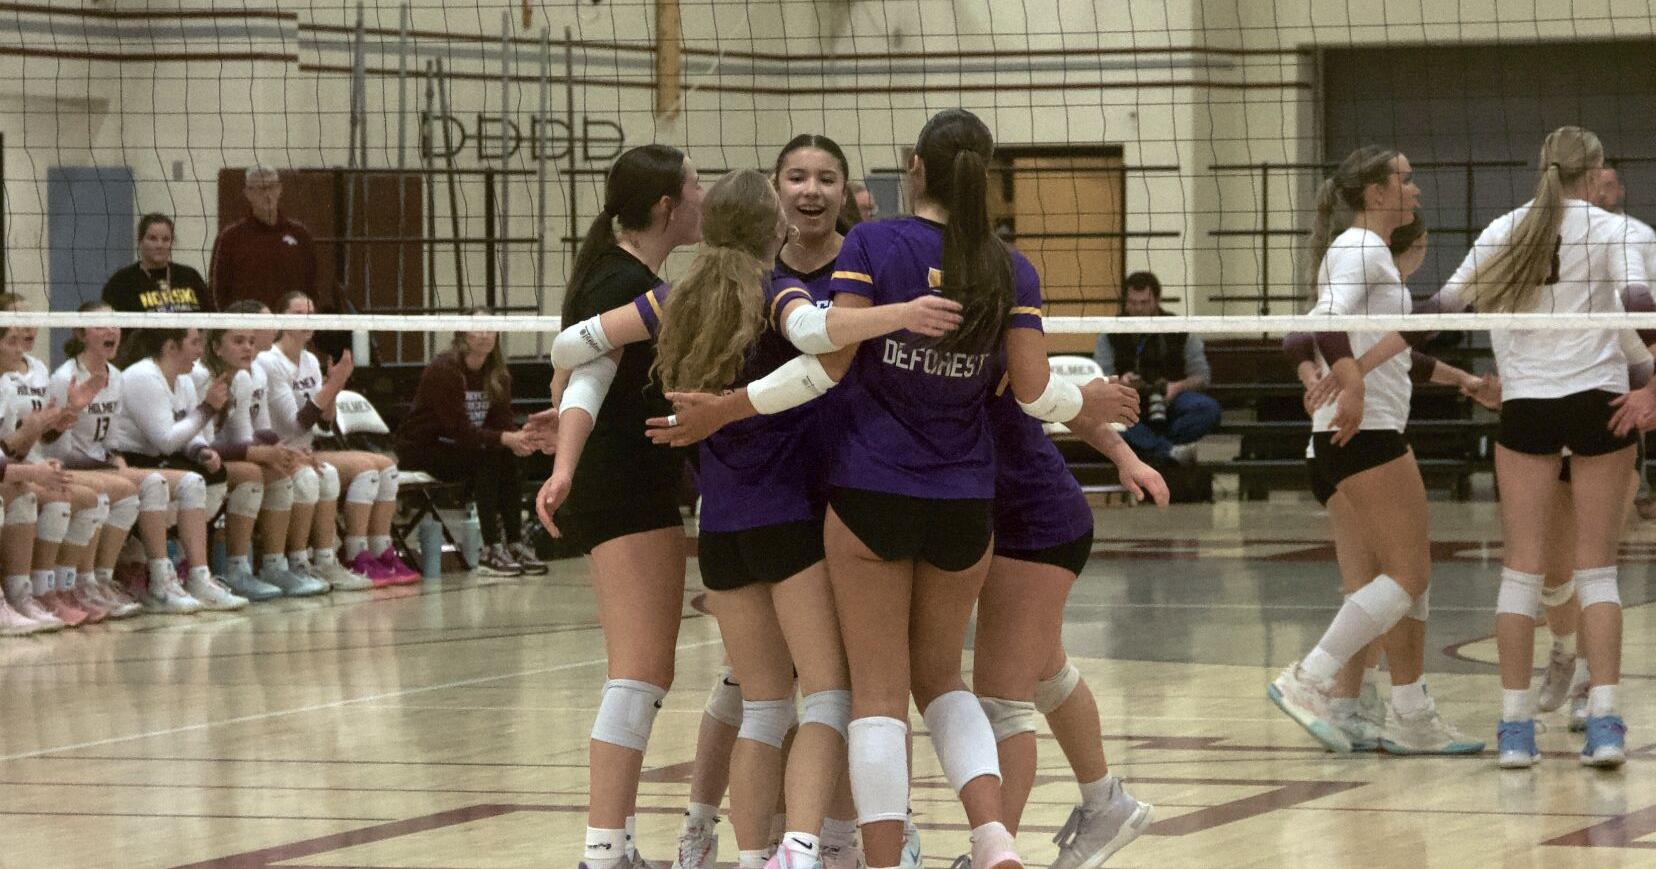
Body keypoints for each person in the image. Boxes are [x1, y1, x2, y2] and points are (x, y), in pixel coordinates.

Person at [640, 109, 1137, 869]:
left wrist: (727, 409)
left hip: (869, 493)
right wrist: (1088, 403)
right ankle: (993, 837)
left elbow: (823, 367)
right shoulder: (1012, 267)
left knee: (875, 694)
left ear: (914, 168)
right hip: (965, 502)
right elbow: (1036, 392)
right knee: (944, 680)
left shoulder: (872, 244)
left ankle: (878, 855)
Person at [551, 164, 963, 869]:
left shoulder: (673, 298)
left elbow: (569, 345)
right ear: (775, 226)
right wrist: (900, 314)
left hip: (720, 534)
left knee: (765, 707)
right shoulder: (775, 290)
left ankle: (751, 858)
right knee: (829, 698)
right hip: (786, 523)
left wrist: (564, 382)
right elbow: (816, 333)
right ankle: (801, 848)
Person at [1394, 126, 1653, 769]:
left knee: (1522, 571)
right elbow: (1640, 307)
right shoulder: (1612, 229)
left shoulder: (1504, 229)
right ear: (1595, 172)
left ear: (1543, 167)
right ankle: (1605, 724)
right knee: (1596, 572)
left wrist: (1366, 341)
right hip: (1599, 403)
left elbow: (1438, 311)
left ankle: (1515, 729)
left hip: (1528, 406)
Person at [537, 144, 705, 869]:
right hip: (626, 490)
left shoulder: (622, 275)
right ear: (667, 206)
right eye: (695, 184)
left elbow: (585, 373)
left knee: (645, 672)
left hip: (625, 484)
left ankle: (617, 848)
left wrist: (564, 442)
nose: (702, 195)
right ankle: (603, 852)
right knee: (638, 672)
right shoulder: (625, 282)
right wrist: (564, 464)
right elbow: (586, 372)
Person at [1284, 212, 1487, 755]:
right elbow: (1303, 333)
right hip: (1357, 438)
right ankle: (1320, 682)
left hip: (1350, 441)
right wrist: (1323, 376)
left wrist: (1464, 379)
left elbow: (1405, 359)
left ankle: (1359, 706)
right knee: (1401, 579)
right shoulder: (1365, 265)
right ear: (1416, 245)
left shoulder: (1373, 292)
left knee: (1382, 586)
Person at [1265, 145, 1438, 755]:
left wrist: (1351, 373)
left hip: (1370, 427)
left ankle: (1391, 709)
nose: (1415, 188)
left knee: (1394, 578)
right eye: (1405, 179)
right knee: (1409, 575)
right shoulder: (1360, 246)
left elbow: (1349, 332)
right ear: (1375, 192)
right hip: (1363, 429)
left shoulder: (1369, 253)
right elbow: (1324, 319)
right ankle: (1309, 678)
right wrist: (1351, 381)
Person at [972, 374, 1160, 866]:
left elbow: (1053, 396)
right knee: (1046, 675)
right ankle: (1106, 802)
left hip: (1036, 523)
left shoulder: (990, 341)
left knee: (1001, 705)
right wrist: (1126, 457)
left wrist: (1125, 456)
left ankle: (995, 855)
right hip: (1005, 518)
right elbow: (1059, 398)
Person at [44, 305, 213, 615]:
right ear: (81, 334)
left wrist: (116, 461)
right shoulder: (64, 378)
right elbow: (58, 453)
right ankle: (88, 582)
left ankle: (159, 581)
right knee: (120, 490)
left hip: (102, 464)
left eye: (115, 324)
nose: (111, 331)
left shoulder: (117, 376)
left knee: (164, 483)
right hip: (71, 467)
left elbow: (111, 442)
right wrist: (111, 467)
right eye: (100, 326)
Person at [260, 291, 416, 587]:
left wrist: (333, 387)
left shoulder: (309, 360)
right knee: (324, 476)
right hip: (278, 451)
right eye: (298, 314)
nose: (307, 320)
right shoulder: (270, 362)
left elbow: (324, 423)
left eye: (312, 314)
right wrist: (334, 383)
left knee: (386, 468)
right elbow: (296, 423)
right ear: (281, 319)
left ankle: (376, 551)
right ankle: (318, 558)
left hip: (306, 449)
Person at [396, 312, 551, 577]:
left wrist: (521, 439)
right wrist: (505, 438)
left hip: (462, 447)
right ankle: (489, 549)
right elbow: (459, 431)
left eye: (490, 329)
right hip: (422, 449)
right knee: (487, 456)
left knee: (508, 456)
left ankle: (514, 543)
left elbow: (502, 421)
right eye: (477, 328)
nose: (484, 335)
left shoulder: (497, 374)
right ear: (462, 334)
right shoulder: (445, 370)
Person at [107, 327, 249, 612]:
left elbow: (187, 428)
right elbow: (166, 439)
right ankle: (161, 580)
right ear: (171, 347)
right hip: (128, 459)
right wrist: (208, 408)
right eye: (194, 343)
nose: (200, 351)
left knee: (211, 476)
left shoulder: (182, 379)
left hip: (157, 458)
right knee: (186, 483)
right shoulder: (143, 377)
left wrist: (200, 450)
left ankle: (196, 576)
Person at [198, 311, 310, 601]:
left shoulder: (243, 378)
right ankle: (236, 570)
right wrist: (259, 453)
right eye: (238, 341)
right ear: (216, 347)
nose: (248, 347)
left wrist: (280, 451)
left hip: (218, 456)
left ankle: (274, 566)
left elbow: (244, 436)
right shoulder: (200, 378)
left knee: (280, 472)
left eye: (250, 341)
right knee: (251, 474)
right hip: (189, 457)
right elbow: (199, 444)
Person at [1093, 271, 1220, 465]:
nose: (1138, 309)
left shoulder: (1179, 329)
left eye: (1144, 303)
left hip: (1171, 400)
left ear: (1157, 300)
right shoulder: (1110, 332)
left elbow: (1202, 376)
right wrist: (1121, 382)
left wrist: (1176, 387)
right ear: (1125, 302)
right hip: (1127, 403)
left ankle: (1153, 447)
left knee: (1208, 409)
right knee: (1107, 420)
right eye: (1133, 303)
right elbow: (1101, 377)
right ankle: (1169, 452)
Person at [209, 166, 322, 312]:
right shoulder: (230, 238)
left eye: (272, 187)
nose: (267, 194)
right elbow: (218, 292)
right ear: (248, 193)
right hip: (248, 322)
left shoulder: (300, 235)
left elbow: (312, 287)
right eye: (261, 189)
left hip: (290, 322)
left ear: (280, 189)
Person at [102, 213, 212, 313]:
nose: (159, 245)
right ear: (140, 241)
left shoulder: (189, 277)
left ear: (172, 242)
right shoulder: (122, 282)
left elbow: (211, 318)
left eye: (166, 239)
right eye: (152, 238)